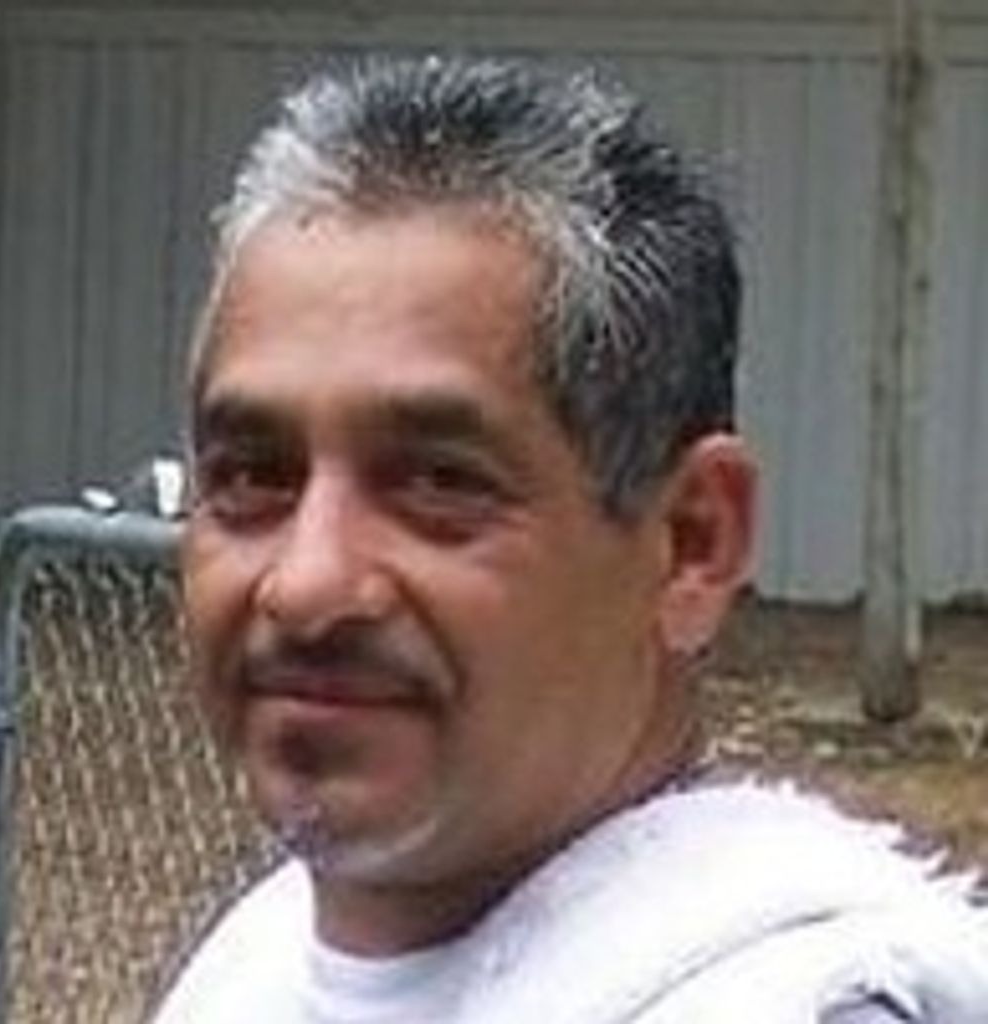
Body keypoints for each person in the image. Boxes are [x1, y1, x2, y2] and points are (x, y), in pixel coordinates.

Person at [154, 55, 988, 1022]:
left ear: (692, 543)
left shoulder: (785, 998)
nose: (306, 583)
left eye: (439, 483)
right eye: (252, 476)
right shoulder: (253, 966)